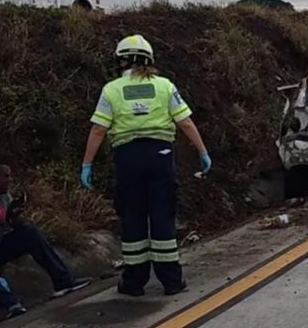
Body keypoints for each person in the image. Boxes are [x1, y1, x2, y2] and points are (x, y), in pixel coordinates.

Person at [80, 34, 211, 297]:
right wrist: (202, 152)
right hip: (160, 156)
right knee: (162, 215)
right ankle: (171, 281)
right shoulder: (164, 86)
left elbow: (98, 129)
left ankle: (134, 282)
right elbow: (185, 122)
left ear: (121, 61)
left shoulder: (112, 89)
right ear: (149, 59)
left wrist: (87, 164)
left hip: (127, 158)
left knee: (133, 217)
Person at [0, 160, 90, 318]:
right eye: (6, 177)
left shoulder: (3, 196)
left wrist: (16, 218)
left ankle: (63, 281)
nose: (10, 180)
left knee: (29, 232)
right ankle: (9, 303)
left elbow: (9, 223)